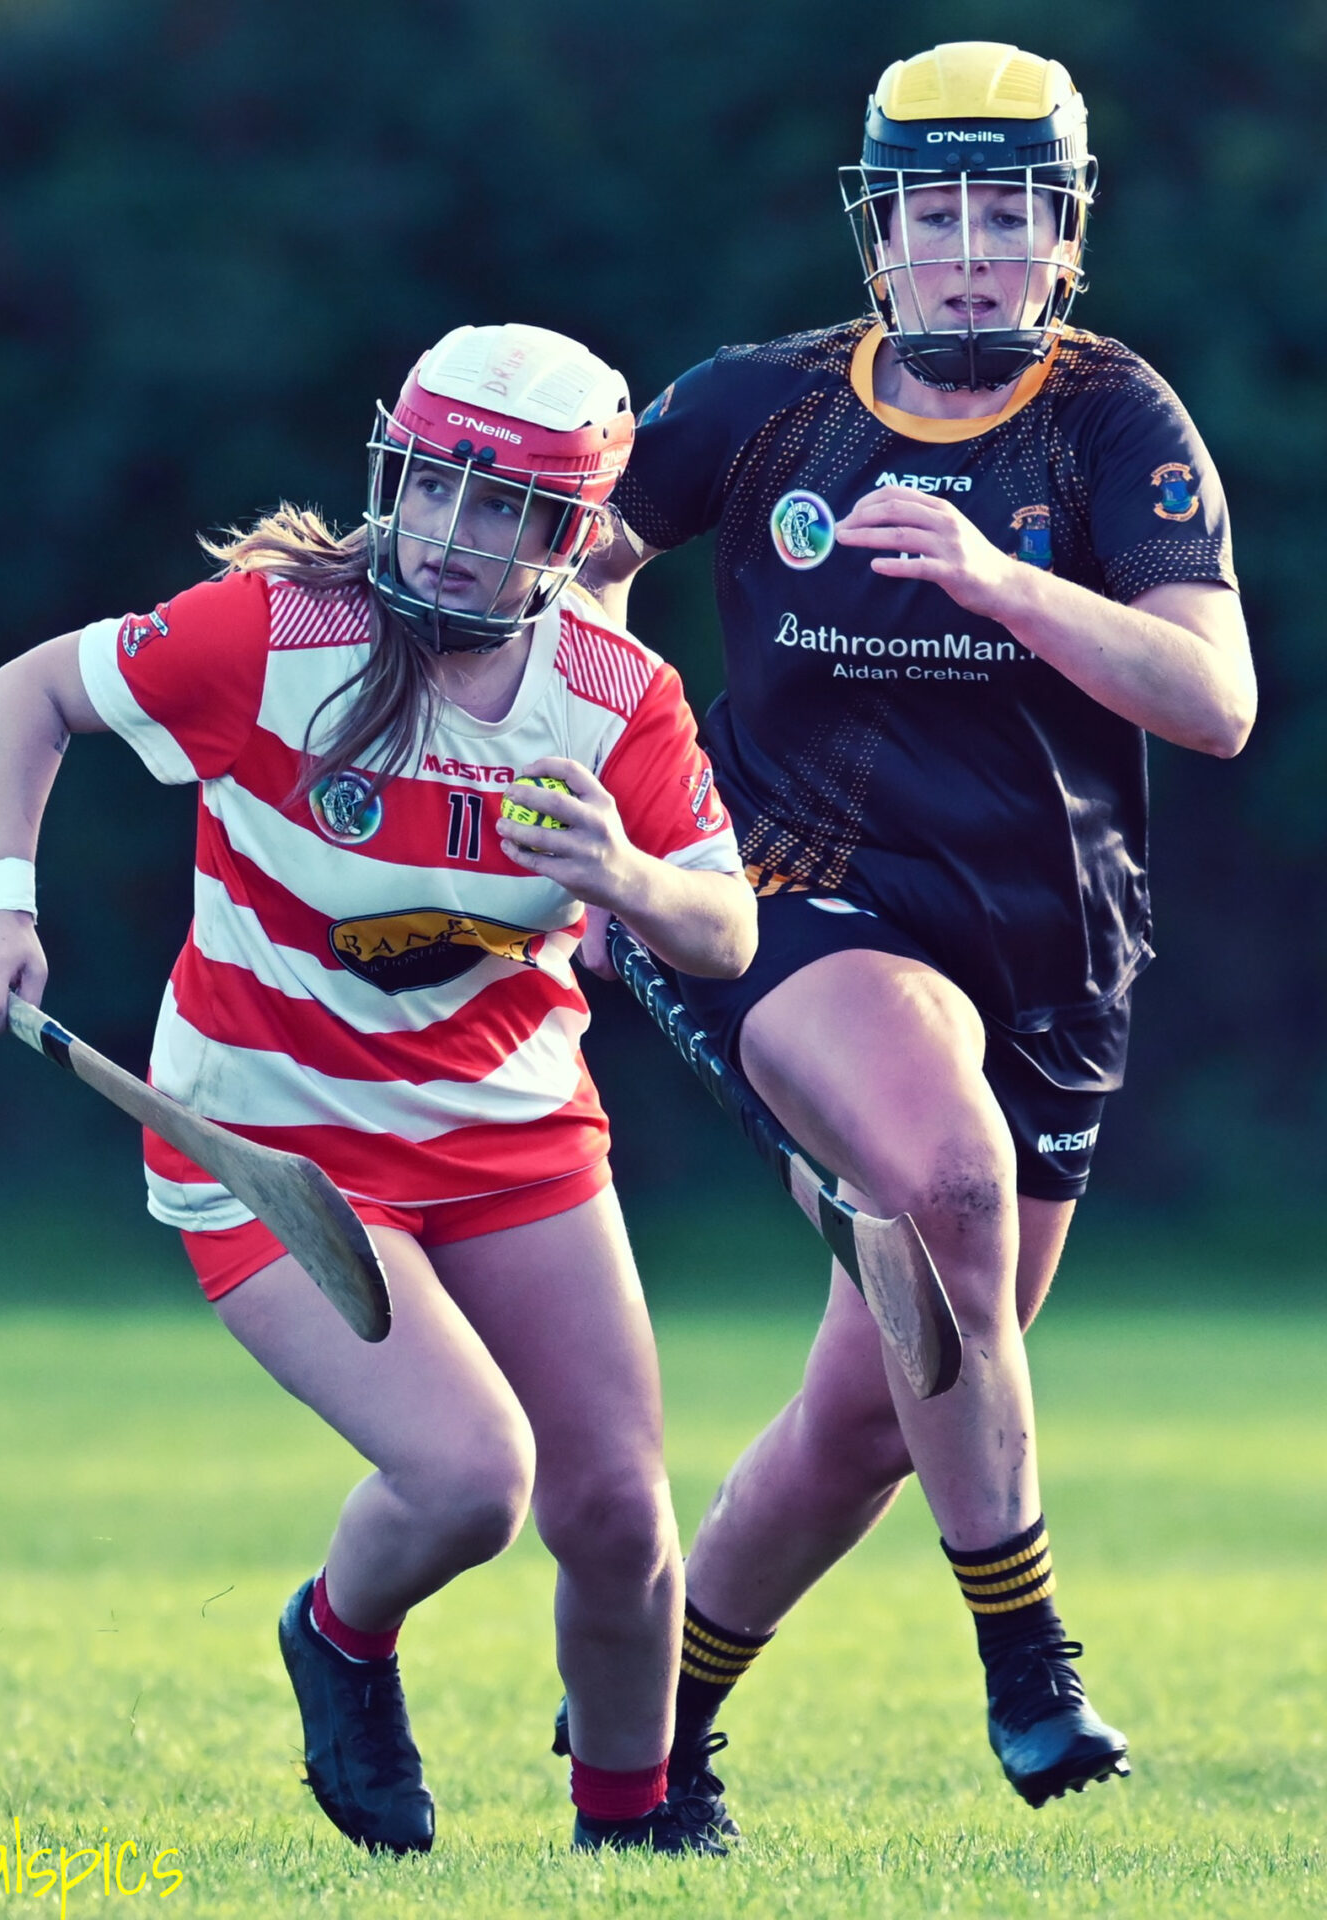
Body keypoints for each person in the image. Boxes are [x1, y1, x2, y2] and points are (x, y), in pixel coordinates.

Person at [0, 323, 757, 1856]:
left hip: (513, 1135)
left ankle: (632, 1836)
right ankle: (339, 1638)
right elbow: (30, 696)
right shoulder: (272, 633)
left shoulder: (614, 695)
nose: (448, 531)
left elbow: (729, 927)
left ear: (571, 532)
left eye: (499, 504)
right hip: (267, 1138)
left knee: (620, 1518)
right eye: (430, 485)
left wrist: (627, 875)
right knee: (468, 1479)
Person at [574, 42, 1256, 1831]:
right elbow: (573, 579)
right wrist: (615, 817)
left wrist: (1000, 580)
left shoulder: (1115, 419)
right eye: (933, 214)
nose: (969, 254)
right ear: (877, 232)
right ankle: (1031, 1667)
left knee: (879, 1413)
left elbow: (1215, 700)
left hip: (1053, 955)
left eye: (1007, 216)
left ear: (1066, 234)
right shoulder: (763, 406)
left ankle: (646, 1733)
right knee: (946, 1185)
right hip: (792, 894)